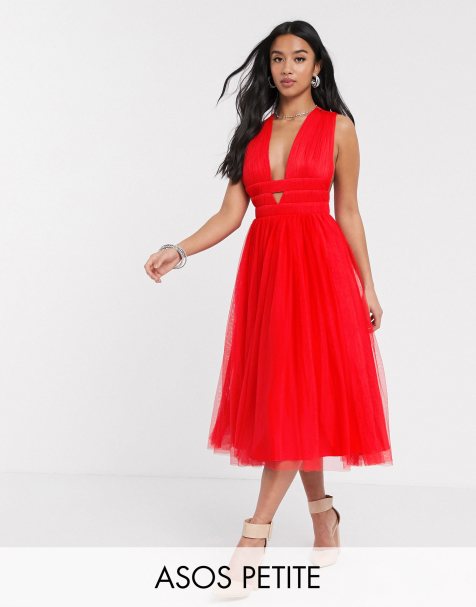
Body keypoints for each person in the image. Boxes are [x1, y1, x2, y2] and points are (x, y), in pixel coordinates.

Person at [144, 20, 393, 582]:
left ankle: (253, 535)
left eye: (299, 58)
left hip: (321, 271)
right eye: (278, 58)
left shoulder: (338, 128)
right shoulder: (251, 135)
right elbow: (231, 215)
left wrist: (368, 285)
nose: (287, 68)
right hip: (268, 275)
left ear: (317, 66)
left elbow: (348, 211)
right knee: (291, 397)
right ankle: (323, 514)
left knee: (297, 396)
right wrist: (177, 250)